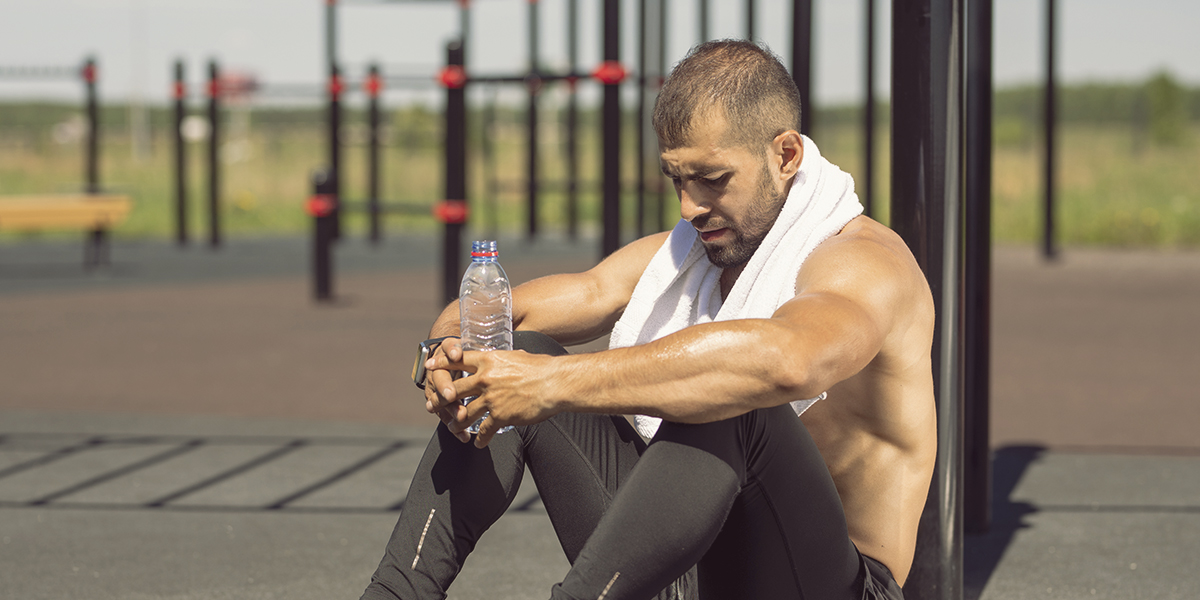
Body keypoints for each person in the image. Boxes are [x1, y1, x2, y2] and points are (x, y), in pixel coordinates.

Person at [360, 40, 935, 600]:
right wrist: (446, 358)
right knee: (521, 346)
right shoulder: (688, 253)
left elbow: (788, 363)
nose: (690, 207)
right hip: (682, 568)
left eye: (713, 179)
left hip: (826, 584)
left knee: (735, 397)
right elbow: (499, 312)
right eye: (678, 180)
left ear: (784, 156)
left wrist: (549, 384)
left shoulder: (865, 264)